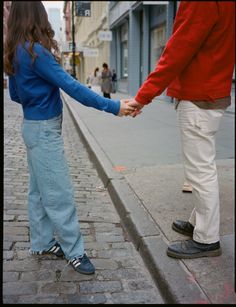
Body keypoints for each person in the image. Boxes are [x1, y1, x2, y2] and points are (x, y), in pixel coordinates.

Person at [3, 1, 135, 275]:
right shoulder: (36, 52)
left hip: (31, 127)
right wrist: (114, 107)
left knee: (38, 191)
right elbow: (72, 86)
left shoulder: (15, 52)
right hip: (44, 129)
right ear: (37, 17)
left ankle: (41, 242)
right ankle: (75, 252)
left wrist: (35, 92)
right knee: (59, 193)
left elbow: (15, 96)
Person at [127, 1, 235, 259]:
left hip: (199, 94)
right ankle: (199, 221)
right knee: (202, 167)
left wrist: (143, 96)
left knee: (200, 170)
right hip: (212, 90)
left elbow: (178, 50)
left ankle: (207, 239)